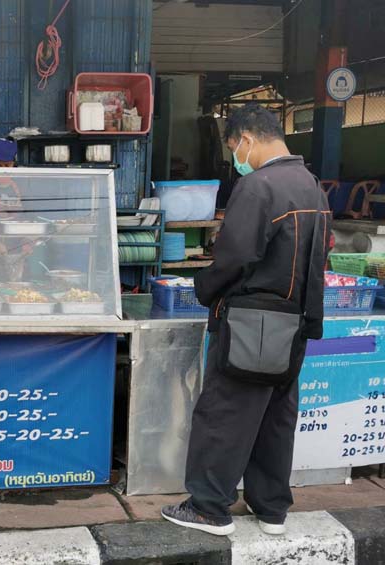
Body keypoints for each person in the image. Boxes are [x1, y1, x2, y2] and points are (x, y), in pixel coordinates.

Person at [161, 104, 330, 537]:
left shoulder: (258, 187)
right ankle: (271, 509)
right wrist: (310, 323)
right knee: (276, 417)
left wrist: (202, 289)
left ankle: (208, 508)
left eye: (235, 147)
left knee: (225, 413)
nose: (237, 157)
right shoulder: (312, 186)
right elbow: (317, 262)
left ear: (248, 140)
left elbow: (234, 258)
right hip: (294, 325)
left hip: (249, 325)